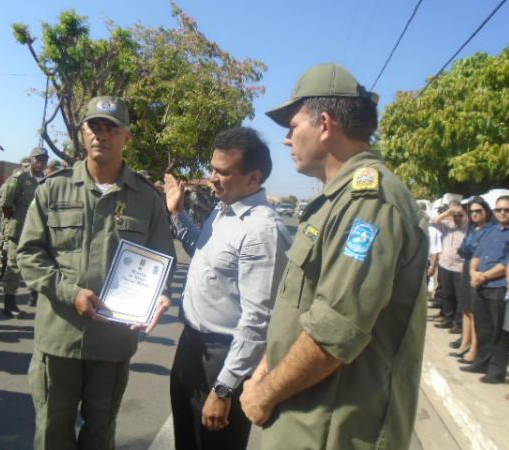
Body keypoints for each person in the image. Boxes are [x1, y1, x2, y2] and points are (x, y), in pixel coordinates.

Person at [239, 64, 428, 449]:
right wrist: (266, 368)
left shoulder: (370, 201)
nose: (288, 140)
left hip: (333, 430)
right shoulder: (336, 200)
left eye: (293, 127)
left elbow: (334, 331)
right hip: (305, 417)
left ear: (324, 124)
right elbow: (300, 308)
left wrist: (263, 393)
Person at [17, 96, 175, 450]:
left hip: (113, 341)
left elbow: (162, 259)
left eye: (111, 128)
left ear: (126, 137)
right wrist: (70, 292)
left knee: (100, 431)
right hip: (60, 337)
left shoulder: (147, 198)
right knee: (52, 429)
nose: (101, 135)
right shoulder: (53, 189)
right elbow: (28, 255)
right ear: (82, 132)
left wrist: (159, 295)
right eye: (94, 126)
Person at [165, 127, 292, 450]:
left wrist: (224, 389)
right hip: (191, 346)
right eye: (212, 169)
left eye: (223, 172)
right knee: (187, 440)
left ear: (253, 178)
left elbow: (258, 320)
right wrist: (178, 213)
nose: (212, 179)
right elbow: (202, 249)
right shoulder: (223, 212)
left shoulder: (262, 230)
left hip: (223, 360)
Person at [463, 195, 509, 383]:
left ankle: (496, 371)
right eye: (499, 209)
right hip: (481, 286)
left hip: (499, 287)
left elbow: (507, 262)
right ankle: (481, 362)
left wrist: (483, 276)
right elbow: (476, 255)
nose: (502, 213)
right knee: (482, 327)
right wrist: (473, 273)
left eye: (507, 209)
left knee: (499, 331)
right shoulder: (491, 231)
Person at [0, 148, 48, 317]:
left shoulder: (48, 180)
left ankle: (35, 296)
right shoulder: (19, 178)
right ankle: (9, 303)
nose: (40, 163)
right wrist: (13, 222)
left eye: (43, 159)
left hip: (41, 231)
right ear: (31, 160)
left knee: (39, 263)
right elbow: (6, 204)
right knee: (14, 266)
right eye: (37, 159)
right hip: (20, 229)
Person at [452, 198, 493, 363]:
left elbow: (476, 250)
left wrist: (467, 250)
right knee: (466, 309)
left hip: (479, 270)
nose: (475, 214)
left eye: (478, 211)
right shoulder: (473, 229)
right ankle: (465, 343)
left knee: (475, 312)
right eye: (472, 212)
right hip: (467, 267)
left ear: (487, 212)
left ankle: (475, 349)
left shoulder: (491, 230)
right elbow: (463, 249)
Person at [431, 201, 467, 333]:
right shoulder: (448, 225)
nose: (457, 218)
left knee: (460, 297)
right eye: (455, 215)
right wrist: (447, 213)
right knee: (447, 294)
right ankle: (448, 318)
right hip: (445, 265)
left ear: (465, 215)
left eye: (460, 215)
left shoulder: (469, 228)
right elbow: (432, 221)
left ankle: (459, 324)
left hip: (460, 267)